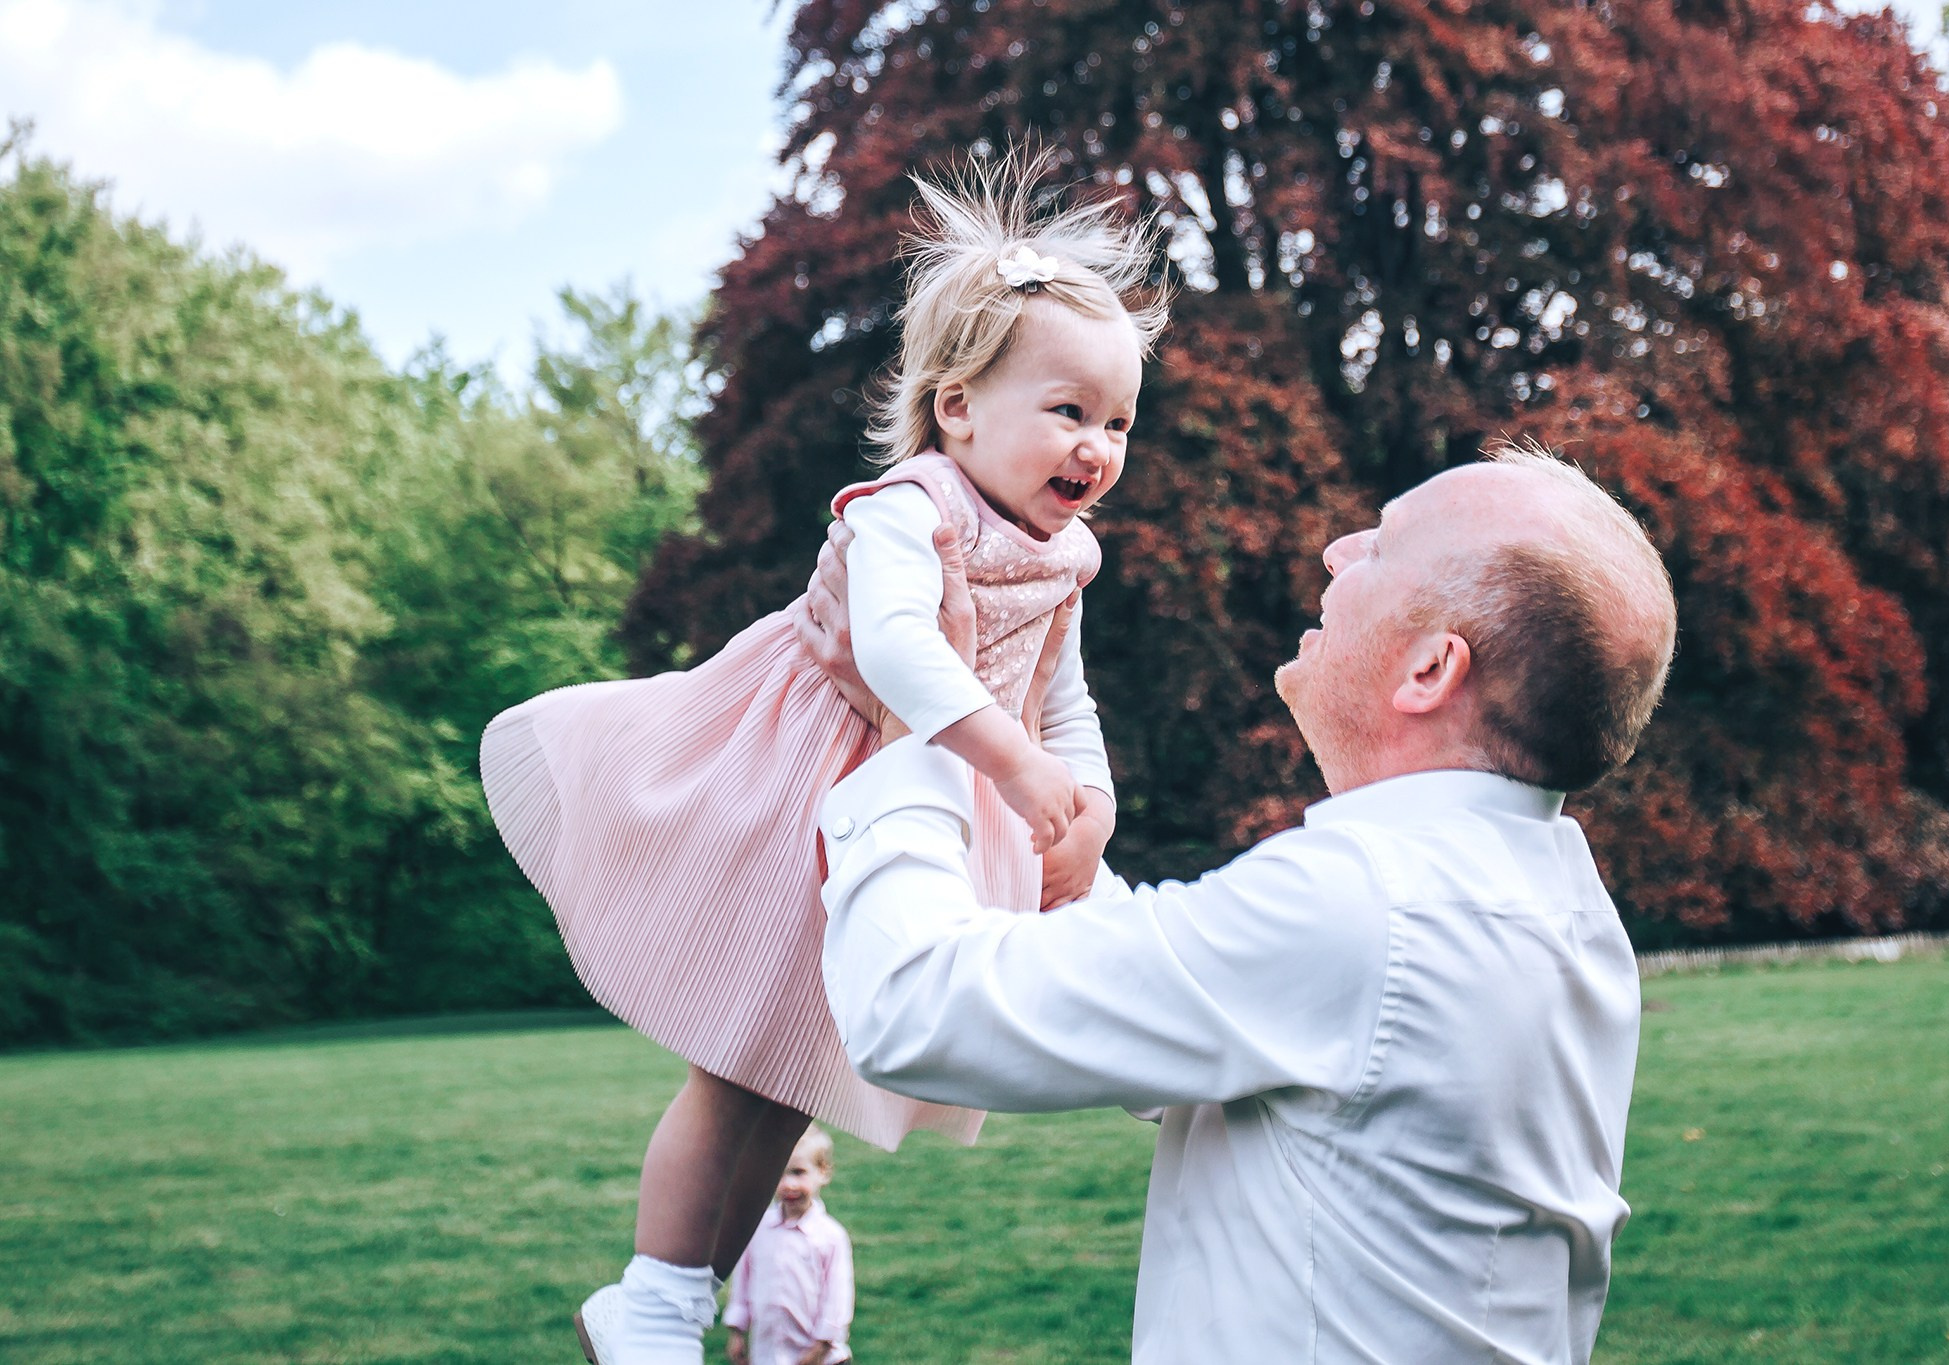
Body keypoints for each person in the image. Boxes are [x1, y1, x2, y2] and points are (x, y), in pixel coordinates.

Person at [477, 148, 1170, 1365]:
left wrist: (1090, 803)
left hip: (930, 800)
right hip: (802, 783)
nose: (1097, 446)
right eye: (1068, 411)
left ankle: (1185, 1061)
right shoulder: (909, 505)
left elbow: (1066, 695)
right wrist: (1012, 772)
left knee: (786, 1078)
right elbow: (896, 651)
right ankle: (648, 1298)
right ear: (958, 407)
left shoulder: (1066, 557)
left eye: (1116, 421)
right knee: (737, 1066)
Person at [796, 442, 1680, 1364]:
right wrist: (1017, 776)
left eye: (1381, 545)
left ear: (1430, 670)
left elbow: (914, 1008)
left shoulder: (1362, 904)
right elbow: (1194, 1006)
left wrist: (911, 738)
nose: (1337, 549)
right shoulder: (1552, 901)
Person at [722, 1126, 855, 1365]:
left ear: (823, 1172)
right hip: (769, 1354)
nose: (788, 1184)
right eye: (779, 1173)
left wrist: (820, 1347)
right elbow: (742, 1282)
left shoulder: (830, 1236)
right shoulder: (758, 1228)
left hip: (819, 1357)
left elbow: (837, 1298)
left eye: (798, 1172)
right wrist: (737, 1331)